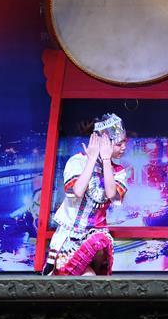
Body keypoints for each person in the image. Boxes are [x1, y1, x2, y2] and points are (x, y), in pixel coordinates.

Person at [44, 113, 129, 275]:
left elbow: (111, 193)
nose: (124, 147)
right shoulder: (78, 162)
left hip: (96, 238)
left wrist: (105, 160)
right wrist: (91, 160)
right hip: (70, 238)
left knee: (96, 283)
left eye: (124, 142)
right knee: (88, 279)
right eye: (119, 143)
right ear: (104, 143)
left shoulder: (118, 171)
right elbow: (77, 191)